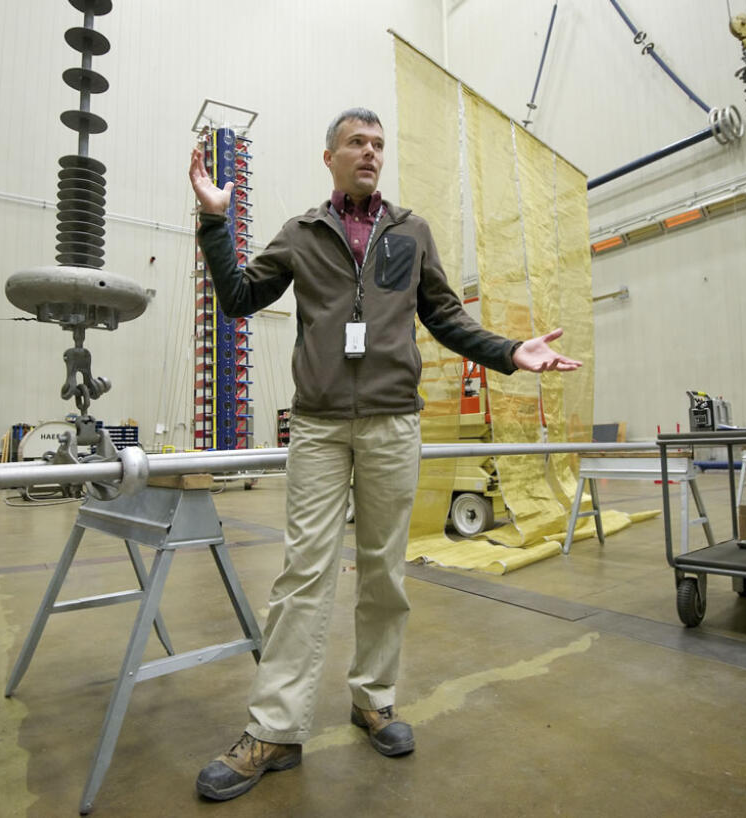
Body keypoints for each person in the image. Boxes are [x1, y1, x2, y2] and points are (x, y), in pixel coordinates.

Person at [188, 107, 581, 801]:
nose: (369, 153)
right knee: (301, 575)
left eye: (377, 144)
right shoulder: (304, 234)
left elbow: (445, 317)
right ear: (329, 156)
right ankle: (276, 729)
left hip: (393, 425)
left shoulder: (411, 232)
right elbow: (241, 297)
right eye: (355, 143)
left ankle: (372, 698)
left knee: (384, 572)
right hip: (318, 426)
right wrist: (216, 223)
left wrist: (510, 354)